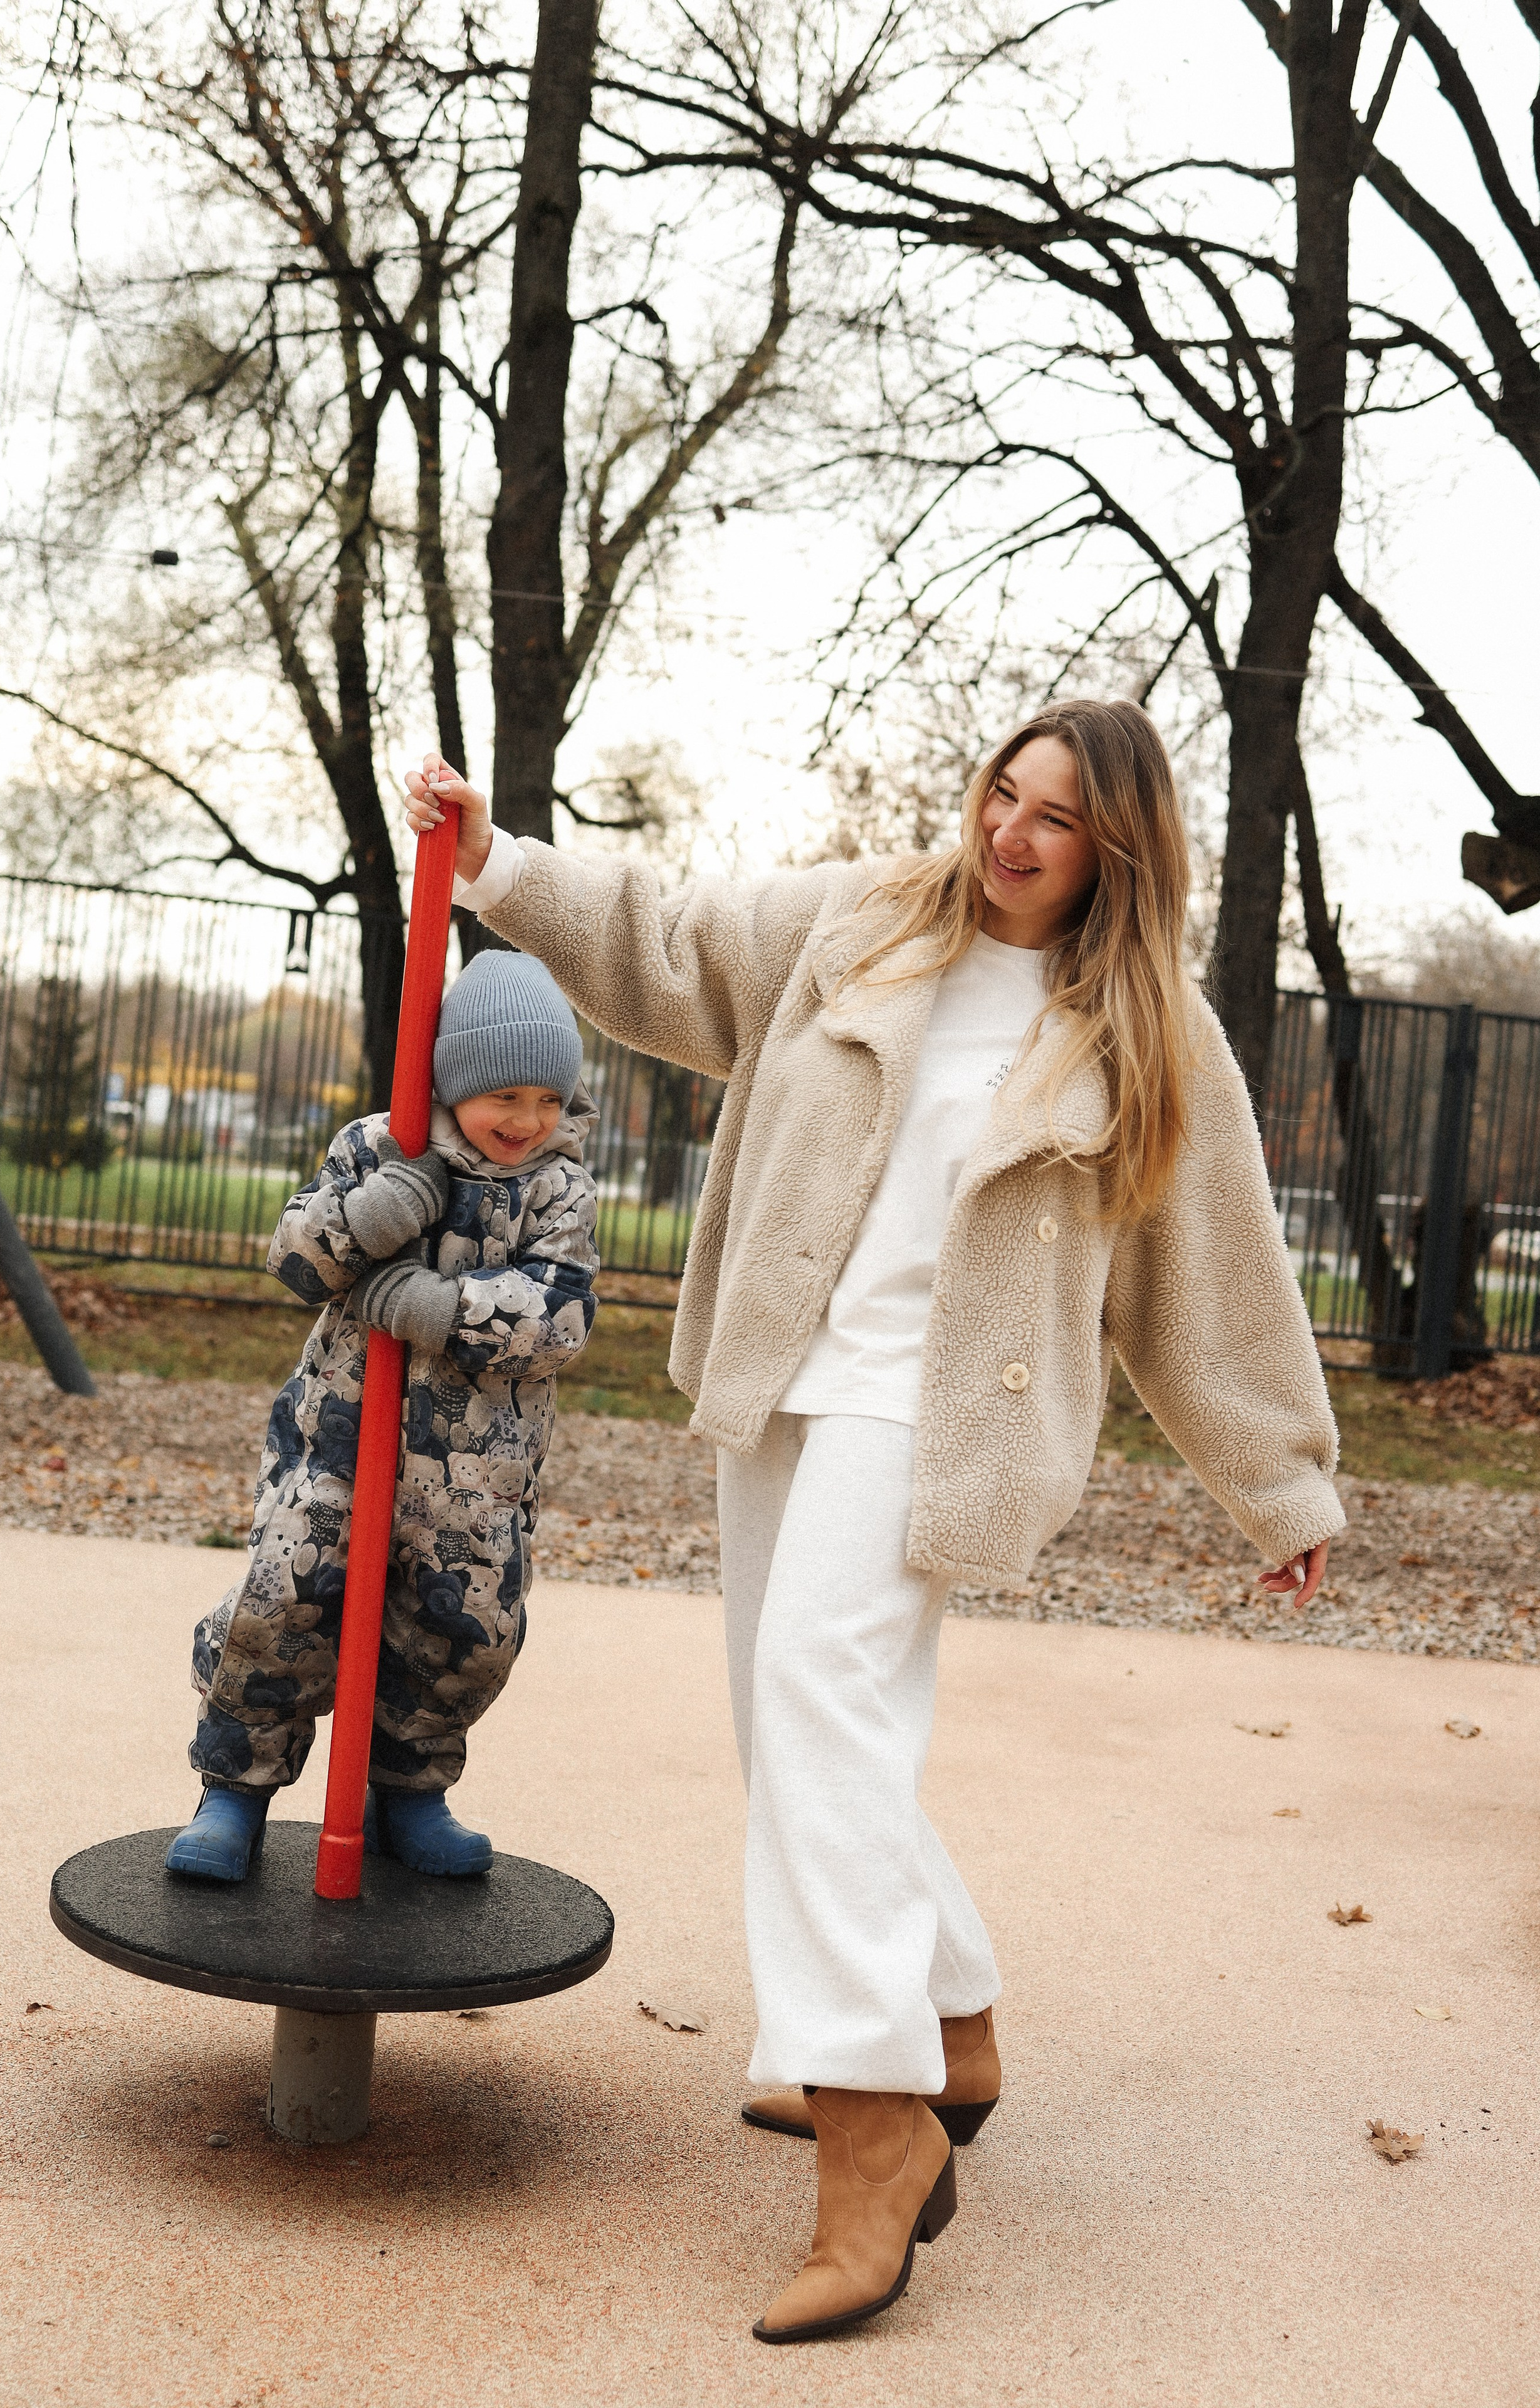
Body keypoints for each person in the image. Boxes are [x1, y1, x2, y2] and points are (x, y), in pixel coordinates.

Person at [405, 700, 1343, 2345]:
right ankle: (950, 2015)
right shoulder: (865, 921)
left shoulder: (1146, 1030)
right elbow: (673, 940)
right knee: (791, 1720)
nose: (1008, 833)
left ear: (1117, 853)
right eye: (1002, 792)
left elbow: (1214, 1273)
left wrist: (1278, 1479)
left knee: (818, 1690)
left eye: (1055, 818)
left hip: (939, 1406)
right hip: (788, 1366)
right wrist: (499, 864)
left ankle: (873, 2124)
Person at [165, 950, 600, 1883]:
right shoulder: (378, 1147)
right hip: (337, 1442)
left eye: (548, 1100)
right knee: (283, 1601)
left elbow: (562, 1318)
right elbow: (295, 1262)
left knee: (465, 1632)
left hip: (477, 1473)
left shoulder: (558, 1187)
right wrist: (374, 1212)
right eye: (505, 1096)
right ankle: (233, 1791)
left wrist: (441, 1309)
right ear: (453, 1080)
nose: (528, 1120)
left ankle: (408, 1794)